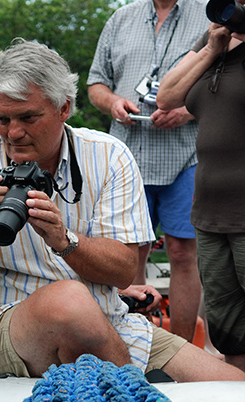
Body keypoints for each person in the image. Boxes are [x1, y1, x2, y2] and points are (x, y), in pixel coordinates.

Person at [0, 39, 245, 381]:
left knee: (233, 385)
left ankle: (126, 376)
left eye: (28, 117)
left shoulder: (108, 157)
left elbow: (124, 271)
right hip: (5, 327)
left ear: (64, 108)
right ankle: (136, 387)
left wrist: (65, 241)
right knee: (68, 301)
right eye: (2, 118)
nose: (13, 133)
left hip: (111, 321)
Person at [86, 0, 209, 342]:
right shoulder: (121, 18)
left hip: (186, 155)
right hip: (127, 158)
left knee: (184, 253)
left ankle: (182, 350)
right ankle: (131, 343)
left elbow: (223, 83)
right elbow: (95, 84)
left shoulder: (209, 15)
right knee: (128, 255)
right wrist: (112, 102)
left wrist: (187, 111)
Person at [156, 14, 245, 372]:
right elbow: (167, 96)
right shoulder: (214, 40)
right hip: (209, 212)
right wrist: (212, 47)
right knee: (228, 325)